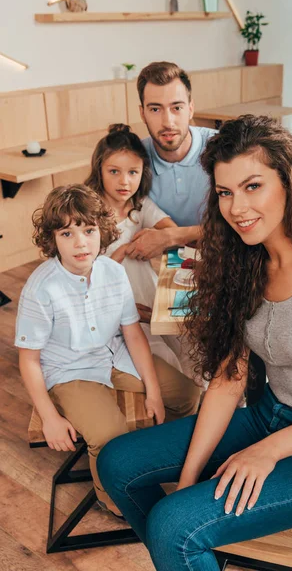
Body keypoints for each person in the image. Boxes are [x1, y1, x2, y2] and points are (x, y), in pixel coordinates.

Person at [97, 115, 292, 569]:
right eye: (225, 192)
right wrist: (192, 477)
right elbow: (230, 378)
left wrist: (265, 452)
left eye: (253, 186)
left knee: (174, 526)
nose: (236, 208)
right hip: (267, 415)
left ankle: (184, 541)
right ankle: (190, 547)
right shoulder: (243, 260)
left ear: (289, 182)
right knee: (117, 464)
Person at [15, 184, 181, 516]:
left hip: (113, 353)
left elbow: (132, 334)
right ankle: (114, 497)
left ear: (101, 232)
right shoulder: (41, 287)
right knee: (109, 435)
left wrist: (152, 390)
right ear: (53, 240)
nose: (81, 243)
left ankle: (158, 461)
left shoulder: (113, 272)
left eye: (89, 230)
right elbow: (29, 360)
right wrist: (49, 416)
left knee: (187, 395)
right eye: (67, 233)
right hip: (69, 371)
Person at [84, 123, 201, 410]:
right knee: (165, 357)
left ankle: (202, 404)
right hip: (112, 304)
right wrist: (125, 249)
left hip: (148, 295)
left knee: (191, 346)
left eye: (133, 172)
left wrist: (158, 240)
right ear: (99, 169)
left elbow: (171, 231)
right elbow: (87, 276)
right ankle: (173, 406)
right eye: (114, 171)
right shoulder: (88, 213)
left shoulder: (140, 205)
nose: (124, 181)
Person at [124, 61, 217, 261]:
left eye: (176, 108)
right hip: (162, 268)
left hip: (227, 261)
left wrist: (170, 236)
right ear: (142, 113)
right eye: (155, 109)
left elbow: (244, 224)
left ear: (191, 109)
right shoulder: (133, 161)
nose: (168, 122)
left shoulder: (223, 149)